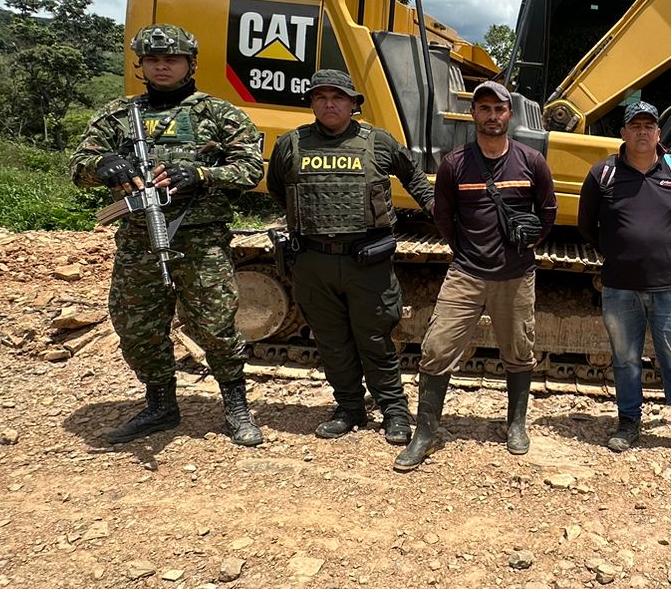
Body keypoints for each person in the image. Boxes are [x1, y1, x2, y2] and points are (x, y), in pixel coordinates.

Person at [71, 23, 266, 447]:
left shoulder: (219, 114)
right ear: (140, 65)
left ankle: (235, 406)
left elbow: (251, 169)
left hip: (200, 239)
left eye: (172, 59)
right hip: (139, 239)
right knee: (136, 325)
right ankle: (160, 404)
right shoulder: (118, 116)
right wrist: (105, 166)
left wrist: (201, 174)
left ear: (190, 64)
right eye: (154, 60)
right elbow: (79, 166)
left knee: (216, 325)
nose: (163, 67)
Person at [393, 80, 557, 471]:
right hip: (466, 272)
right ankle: (425, 433)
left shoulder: (531, 161)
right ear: (473, 114)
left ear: (509, 114)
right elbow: (444, 217)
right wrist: (464, 250)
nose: (492, 116)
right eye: (484, 108)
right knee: (436, 349)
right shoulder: (455, 164)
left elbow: (547, 211)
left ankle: (515, 424)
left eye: (499, 109)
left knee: (518, 350)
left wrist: (526, 244)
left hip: (516, 275)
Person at [267, 69, 435, 443]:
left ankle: (394, 411)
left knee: (375, 339)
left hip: (367, 261)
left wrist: (435, 207)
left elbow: (414, 178)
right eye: (320, 97)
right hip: (313, 261)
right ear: (310, 103)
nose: (329, 104)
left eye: (338, 97)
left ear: (353, 105)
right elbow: (280, 189)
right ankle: (349, 408)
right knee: (332, 341)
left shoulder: (377, 142)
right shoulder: (290, 145)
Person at [577, 101, 671, 462]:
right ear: (622, 132)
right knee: (625, 359)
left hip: (669, 287)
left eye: (648, 126)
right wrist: (618, 252)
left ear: (658, 133)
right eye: (634, 125)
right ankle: (628, 421)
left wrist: (667, 253)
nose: (642, 131)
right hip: (620, 287)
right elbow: (587, 225)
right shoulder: (602, 173)